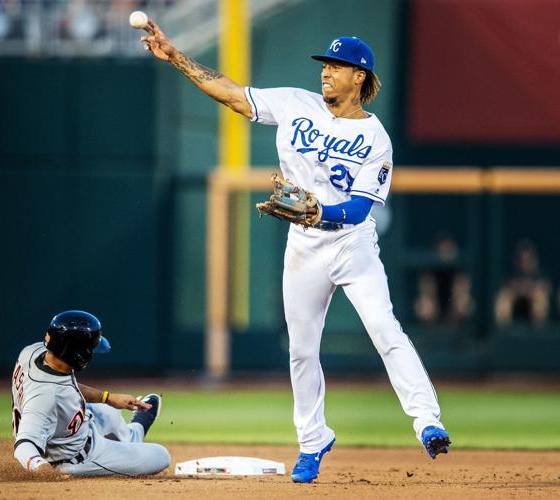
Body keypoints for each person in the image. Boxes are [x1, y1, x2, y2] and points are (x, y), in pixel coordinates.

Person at [139, 22, 450, 483]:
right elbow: (230, 93)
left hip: (352, 243)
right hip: (303, 246)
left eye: (337, 67)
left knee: (384, 327)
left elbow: (360, 209)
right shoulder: (294, 103)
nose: (326, 72)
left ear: (360, 77)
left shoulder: (376, 140)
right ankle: (313, 440)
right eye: (325, 65)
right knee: (302, 350)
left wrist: (319, 210)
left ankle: (427, 420)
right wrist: (177, 56)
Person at [11, 310, 171, 477]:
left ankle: (132, 436)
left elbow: (63, 387)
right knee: (161, 455)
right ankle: (135, 434)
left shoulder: (33, 352)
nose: (91, 353)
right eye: (90, 349)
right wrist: (48, 474)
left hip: (69, 427)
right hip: (79, 459)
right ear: (77, 354)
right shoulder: (45, 399)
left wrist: (108, 398)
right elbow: (25, 444)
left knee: (109, 411)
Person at [414, 232, 474, 325]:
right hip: (435, 318)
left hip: (453, 319)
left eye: (449, 249)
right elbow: (426, 297)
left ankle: (456, 333)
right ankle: (431, 335)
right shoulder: (430, 272)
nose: (445, 252)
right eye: (443, 249)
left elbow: (462, 299)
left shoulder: (459, 272)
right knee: (424, 306)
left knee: (464, 304)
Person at [494, 240, 550, 327]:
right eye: (521, 259)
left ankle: (539, 331)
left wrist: (528, 291)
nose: (524, 263)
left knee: (539, 296)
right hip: (515, 313)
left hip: (534, 319)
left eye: (527, 259)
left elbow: (545, 289)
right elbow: (507, 289)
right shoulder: (509, 276)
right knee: (504, 297)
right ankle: (503, 329)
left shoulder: (540, 276)